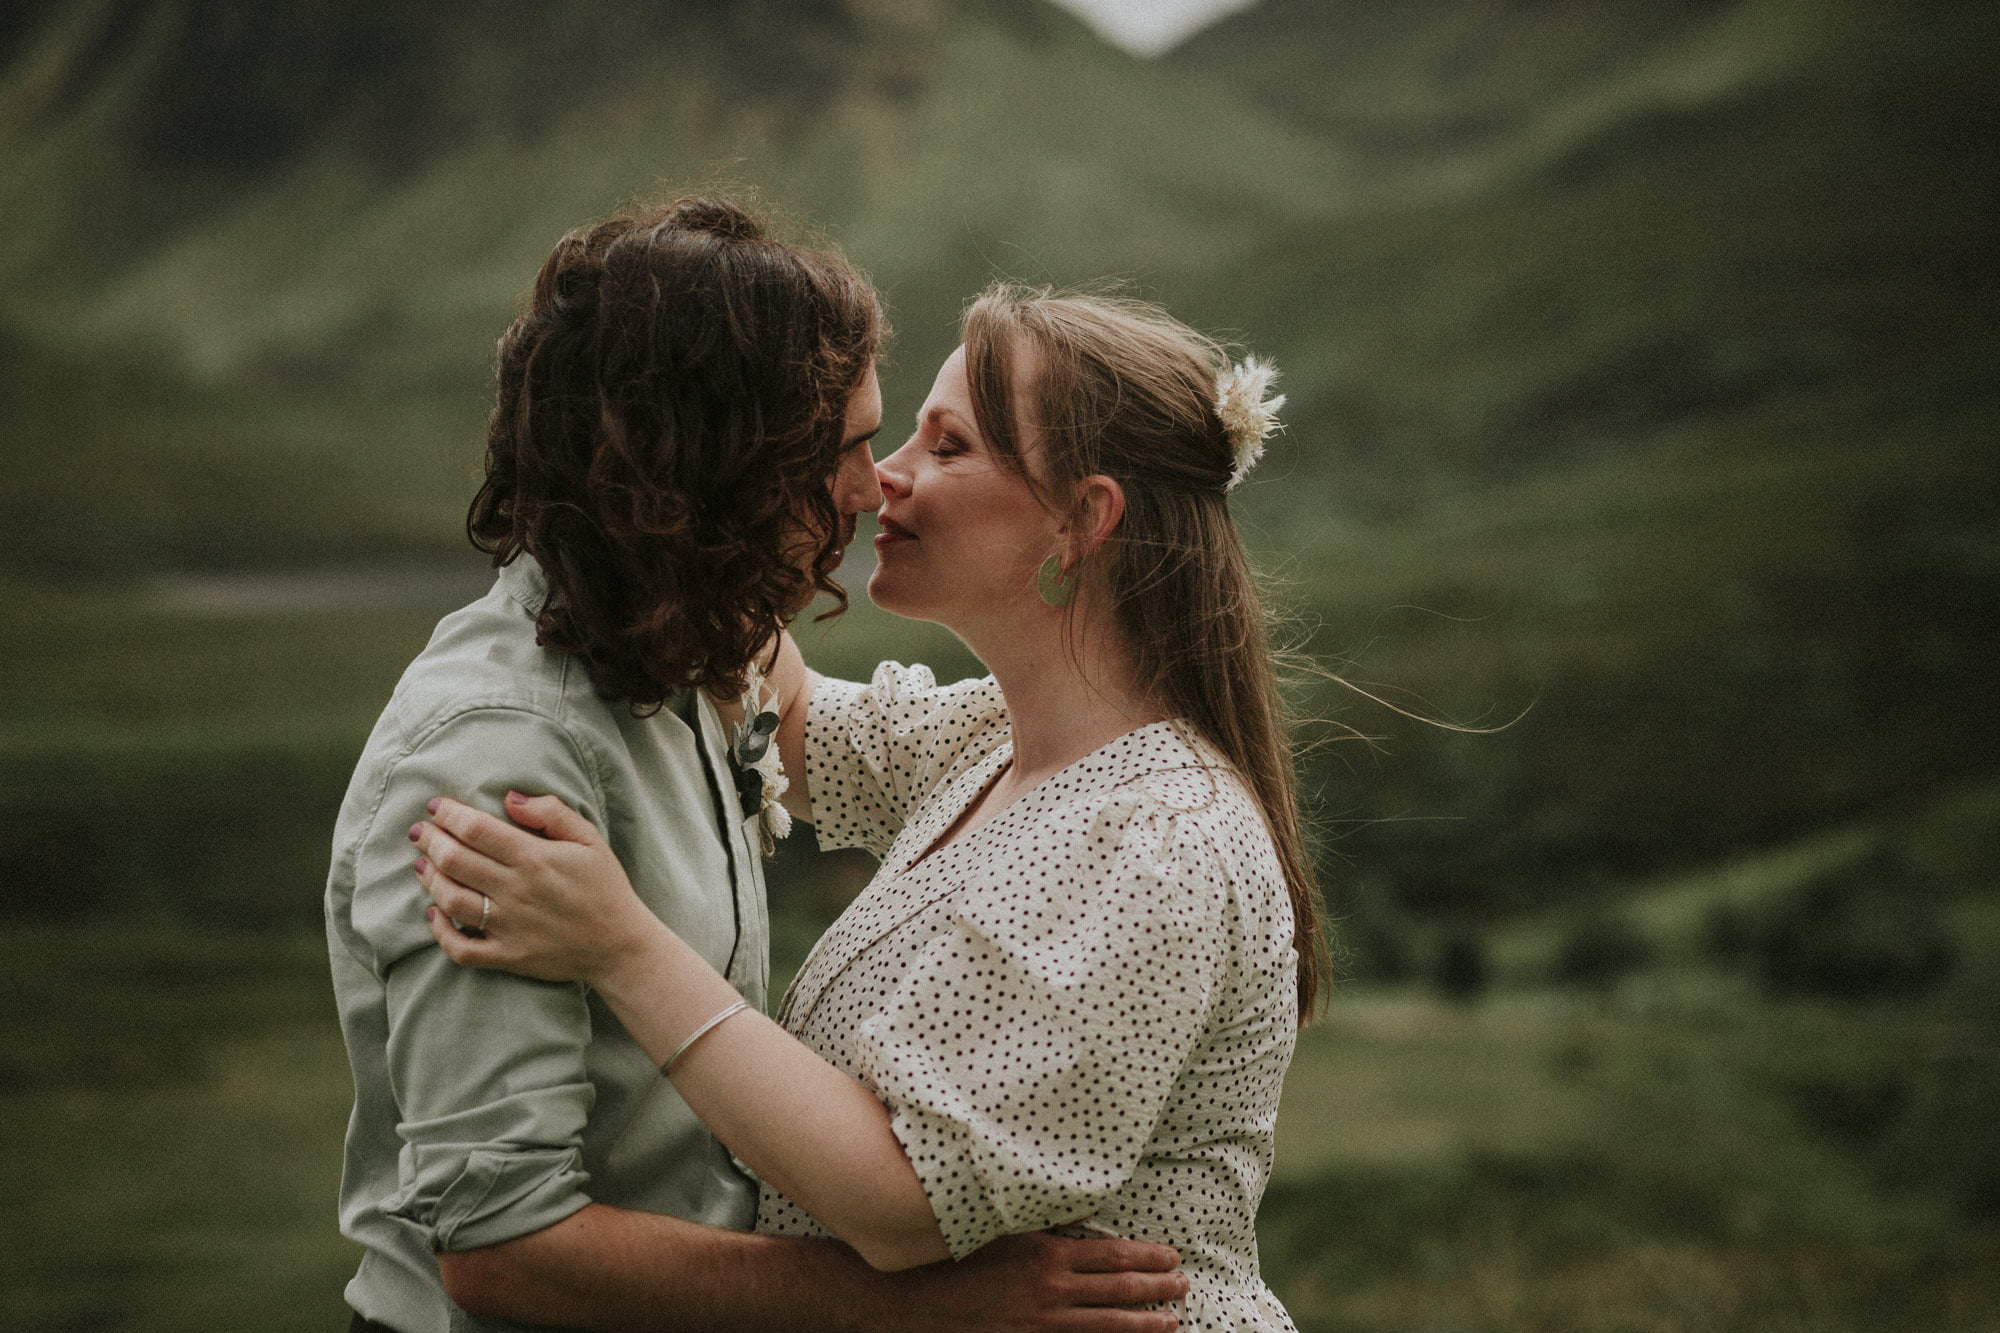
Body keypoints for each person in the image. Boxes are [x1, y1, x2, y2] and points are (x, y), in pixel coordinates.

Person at [327, 203, 1186, 1333]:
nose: (867, 486)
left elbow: (832, 709)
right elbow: (503, 1250)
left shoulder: (684, 655)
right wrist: (923, 1304)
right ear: (703, 466)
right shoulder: (501, 758)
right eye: (837, 448)